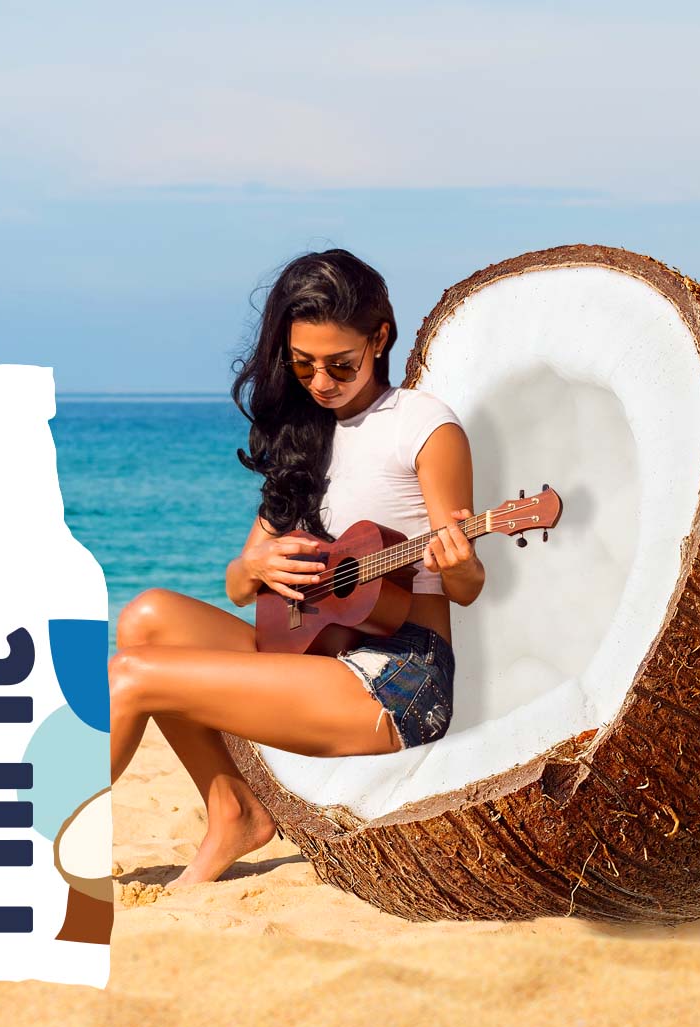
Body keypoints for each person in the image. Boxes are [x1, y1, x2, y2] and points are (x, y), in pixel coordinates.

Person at [109, 249, 485, 886]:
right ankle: (233, 812)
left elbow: (468, 589)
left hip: (400, 679)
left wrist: (459, 563)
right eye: (303, 364)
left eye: (341, 364)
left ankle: (33, 847)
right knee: (146, 618)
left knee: (131, 677)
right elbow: (236, 587)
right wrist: (255, 560)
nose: (321, 382)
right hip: (319, 652)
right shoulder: (303, 436)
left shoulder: (422, 426)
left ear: (380, 338)